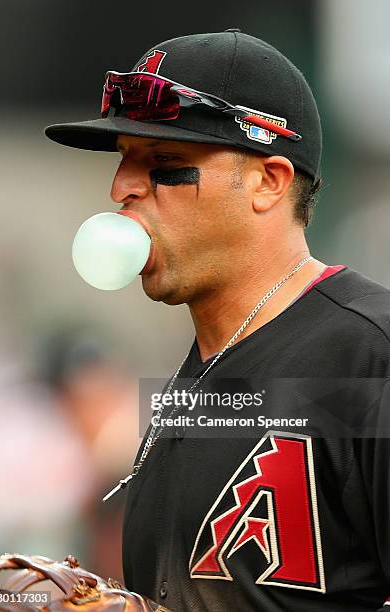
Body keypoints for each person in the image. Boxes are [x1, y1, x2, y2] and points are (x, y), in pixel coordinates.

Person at [45, 30, 390, 612]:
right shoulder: (196, 386)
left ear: (267, 181)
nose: (121, 186)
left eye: (164, 163)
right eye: (125, 158)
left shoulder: (370, 357)